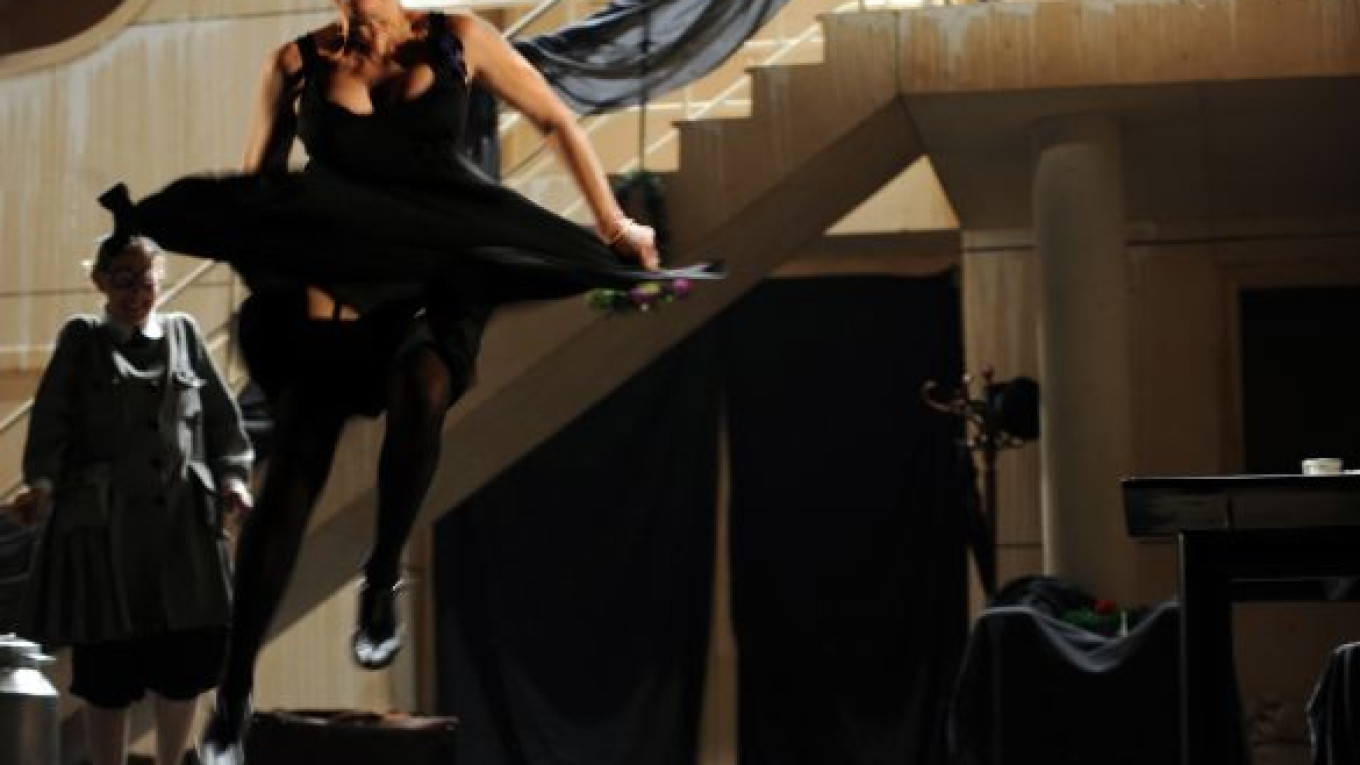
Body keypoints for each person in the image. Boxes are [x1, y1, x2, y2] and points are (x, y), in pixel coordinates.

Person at [121, 2, 720, 764]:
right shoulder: (296, 65)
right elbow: (261, 196)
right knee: (297, 463)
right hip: (341, 281)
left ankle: (381, 578)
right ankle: (234, 687)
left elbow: (552, 119)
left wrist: (614, 226)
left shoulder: (457, 38)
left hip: (439, 271)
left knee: (426, 385)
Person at [8, 191, 254, 765]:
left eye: (146, 281)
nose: (137, 294)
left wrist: (234, 479)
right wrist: (41, 484)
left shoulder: (184, 334)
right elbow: (52, 422)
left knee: (184, 658)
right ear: (100, 282)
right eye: (124, 281)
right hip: (105, 529)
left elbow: (223, 420)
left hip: (181, 529)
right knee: (107, 667)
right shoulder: (82, 339)